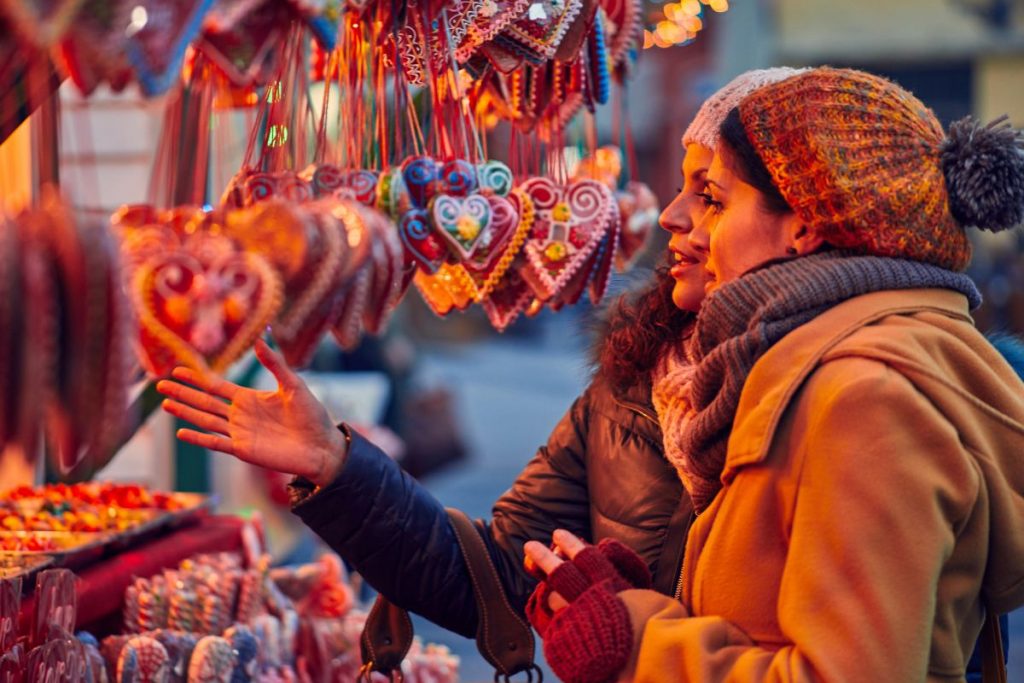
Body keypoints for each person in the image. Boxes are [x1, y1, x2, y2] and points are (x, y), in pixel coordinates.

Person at [154, 68, 802, 637]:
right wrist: (336, 464)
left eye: (711, 195)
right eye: (686, 187)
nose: (673, 214)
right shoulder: (639, 379)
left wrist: (627, 630)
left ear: (805, 221)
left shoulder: (852, 392)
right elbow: (492, 578)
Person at [523, 67, 1024, 682]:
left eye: (715, 199)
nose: (686, 222)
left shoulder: (863, 399)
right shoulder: (807, 368)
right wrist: (639, 608)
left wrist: (636, 642)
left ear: (806, 225)